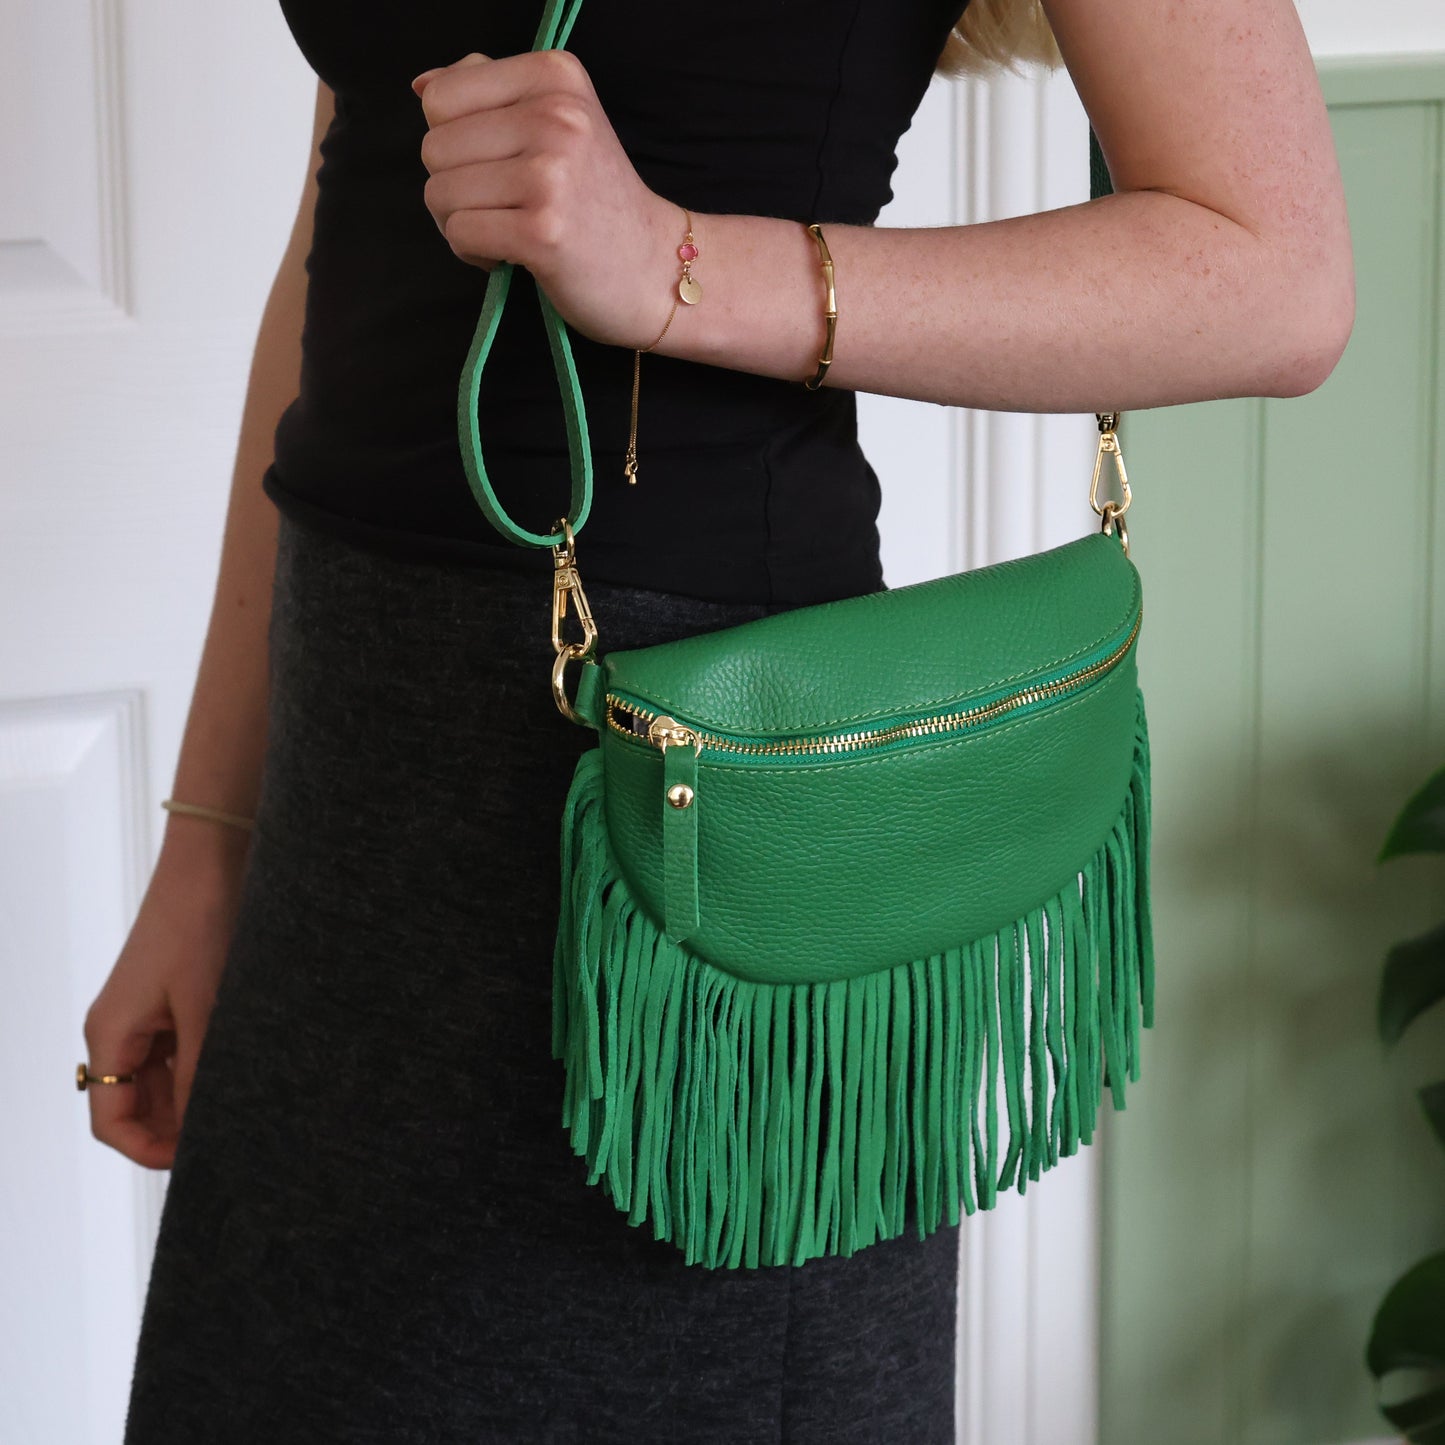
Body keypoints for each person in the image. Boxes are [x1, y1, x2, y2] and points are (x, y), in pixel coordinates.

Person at [82, 0, 1352, 1438]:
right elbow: (354, 209)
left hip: (699, 877)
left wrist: (675, 266)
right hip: (346, 803)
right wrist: (210, 841)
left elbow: (1278, 276)